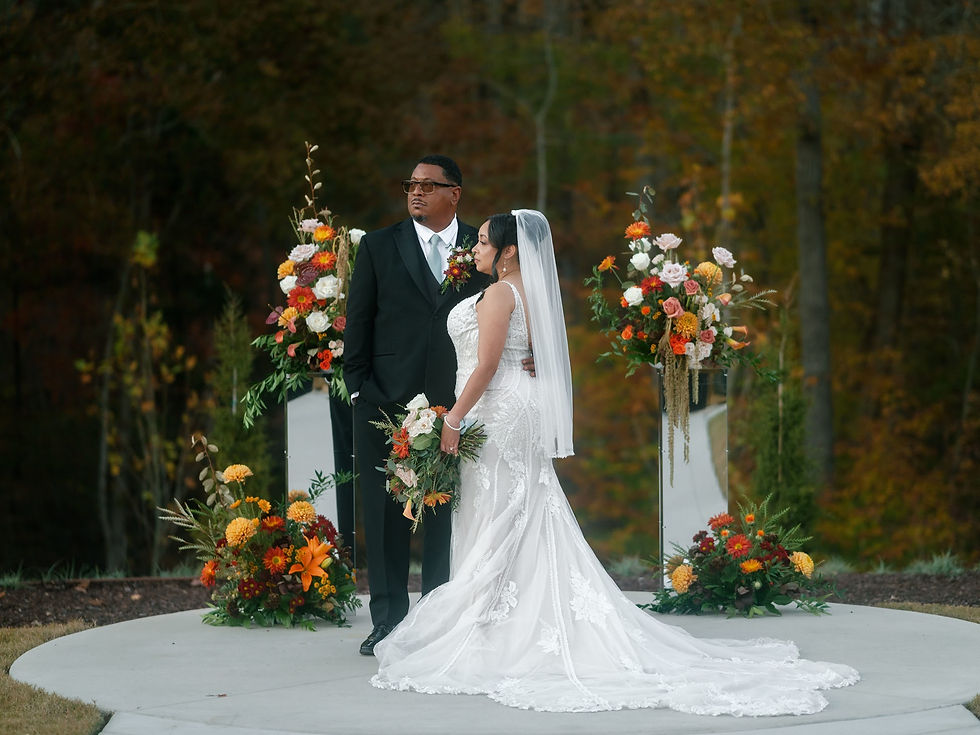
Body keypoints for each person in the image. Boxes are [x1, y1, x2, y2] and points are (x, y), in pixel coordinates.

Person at [370, 210, 859, 714]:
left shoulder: (499, 293)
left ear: (509, 252)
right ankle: (498, 615)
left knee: (497, 506)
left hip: (495, 406)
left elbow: (490, 362)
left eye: (484, 242)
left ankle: (487, 622)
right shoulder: (530, 293)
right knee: (518, 505)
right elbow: (532, 352)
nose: (474, 248)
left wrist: (451, 419)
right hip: (515, 403)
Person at [344, 155, 491, 656]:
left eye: (430, 186)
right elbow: (358, 321)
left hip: (456, 403)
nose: (416, 192)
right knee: (384, 514)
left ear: (456, 193)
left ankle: (438, 618)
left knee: (445, 512)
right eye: (411, 184)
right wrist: (358, 388)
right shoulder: (379, 246)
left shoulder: (482, 248)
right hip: (384, 399)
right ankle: (386, 621)